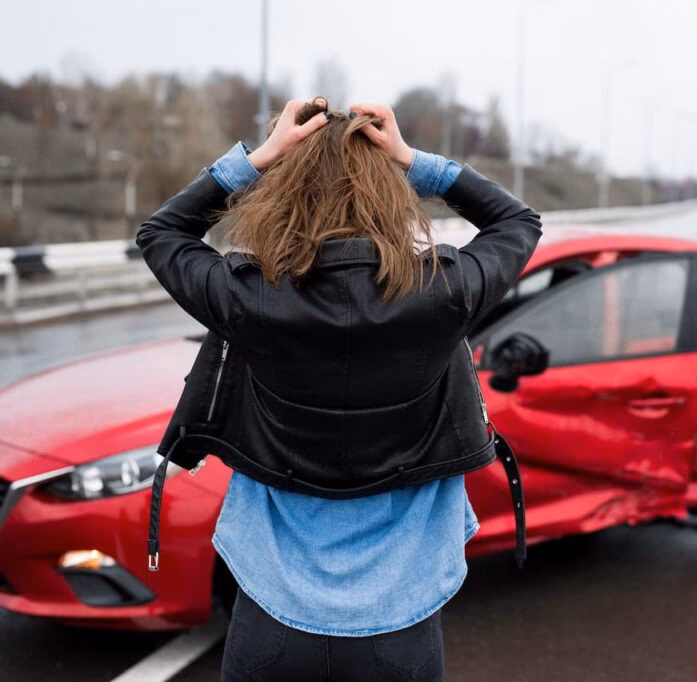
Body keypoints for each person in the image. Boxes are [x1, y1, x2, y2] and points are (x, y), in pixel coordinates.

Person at [135, 97, 542, 681]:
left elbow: (163, 231)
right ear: (389, 195)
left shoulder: (247, 296)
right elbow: (518, 222)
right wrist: (412, 159)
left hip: (271, 619)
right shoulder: (443, 293)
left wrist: (262, 156)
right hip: (400, 624)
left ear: (285, 192)